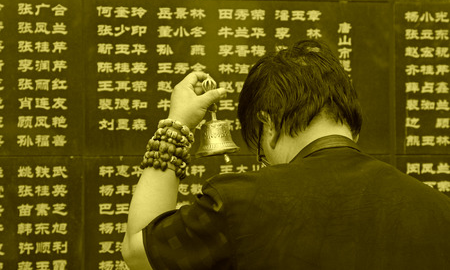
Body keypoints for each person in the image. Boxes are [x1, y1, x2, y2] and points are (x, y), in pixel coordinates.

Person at [122, 39, 450, 270]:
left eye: (260, 151)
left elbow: (138, 252)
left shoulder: (237, 203)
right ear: (352, 123)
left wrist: (176, 126)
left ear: (267, 123)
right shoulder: (438, 210)